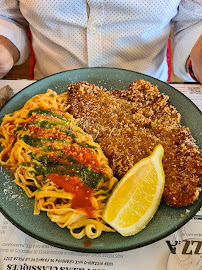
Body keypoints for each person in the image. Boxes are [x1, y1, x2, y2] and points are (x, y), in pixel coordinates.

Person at [0, 1, 201, 83]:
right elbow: (7, 14)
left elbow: (193, 19)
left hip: (147, 95)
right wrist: (3, 46)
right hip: (50, 92)